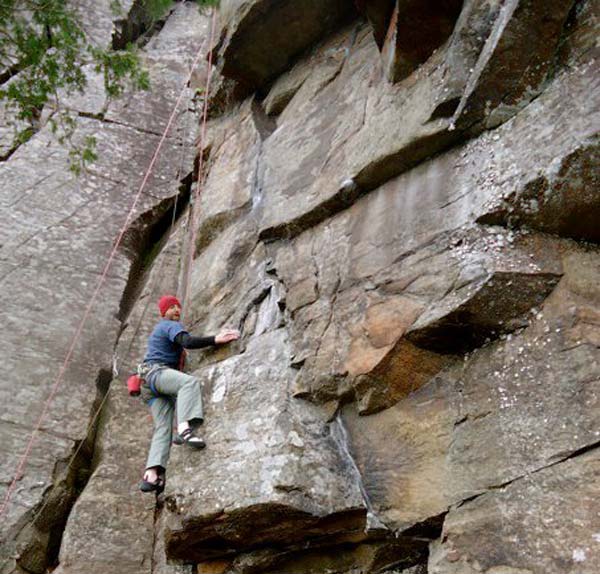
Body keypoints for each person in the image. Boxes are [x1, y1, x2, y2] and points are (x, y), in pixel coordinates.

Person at [138, 294, 239, 493]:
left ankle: (152, 474)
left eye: (178, 306)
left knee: (162, 429)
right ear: (163, 312)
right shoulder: (168, 325)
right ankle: (185, 429)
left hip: (148, 384)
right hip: (157, 374)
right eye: (172, 306)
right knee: (189, 383)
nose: (176, 309)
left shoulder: (161, 329)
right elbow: (188, 341)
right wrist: (216, 339)